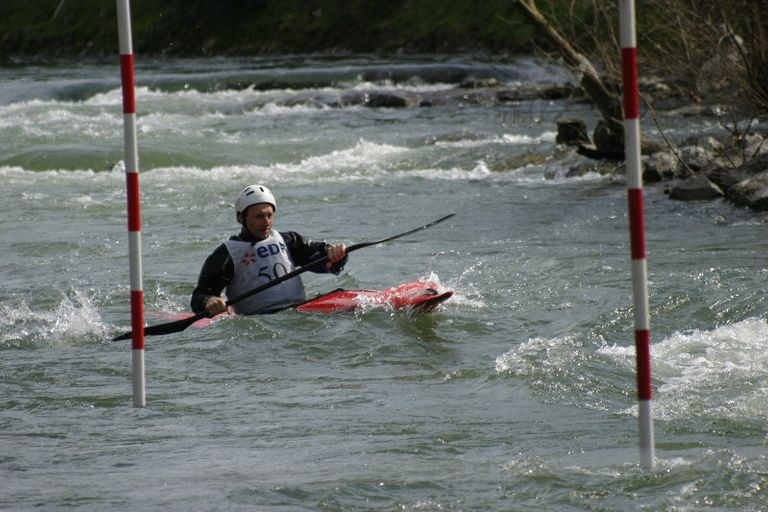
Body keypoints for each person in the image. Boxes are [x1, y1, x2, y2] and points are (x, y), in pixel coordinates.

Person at [190, 184, 347, 316]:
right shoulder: (227, 254)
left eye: (269, 215)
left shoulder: (289, 240)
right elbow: (200, 295)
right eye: (258, 216)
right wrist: (208, 301)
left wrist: (335, 255)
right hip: (258, 321)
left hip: (298, 313)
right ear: (241, 218)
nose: (266, 222)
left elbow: (321, 261)